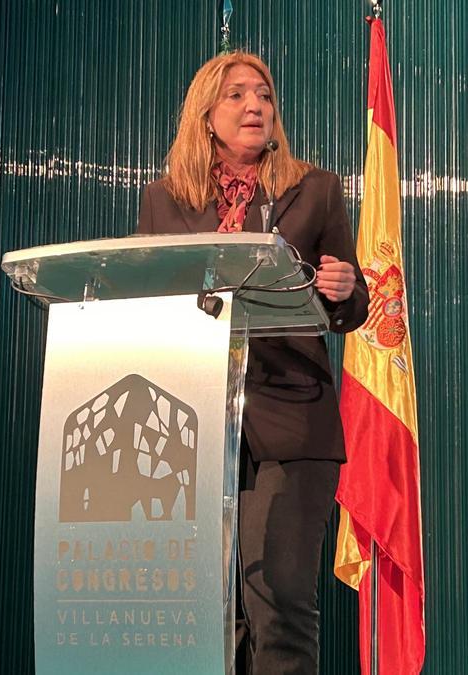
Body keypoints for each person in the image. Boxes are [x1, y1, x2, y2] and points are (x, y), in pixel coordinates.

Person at [136, 51, 369, 674]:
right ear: (206, 115)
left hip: (294, 418)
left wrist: (346, 287)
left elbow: (352, 307)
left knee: (279, 598)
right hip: (194, 422)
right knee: (218, 607)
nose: (255, 105)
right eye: (237, 94)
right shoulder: (163, 202)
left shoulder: (313, 189)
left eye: (263, 94)